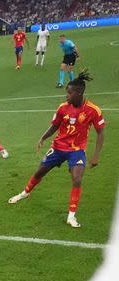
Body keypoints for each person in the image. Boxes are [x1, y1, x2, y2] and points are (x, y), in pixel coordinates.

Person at [8, 70, 105, 228]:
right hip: (58, 147)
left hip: (76, 150)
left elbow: (101, 133)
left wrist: (96, 156)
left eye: (69, 93)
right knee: (40, 171)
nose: (66, 96)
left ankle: (71, 216)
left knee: (77, 178)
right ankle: (25, 193)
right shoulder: (63, 108)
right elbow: (55, 125)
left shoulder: (93, 110)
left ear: (79, 93)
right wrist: (43, 137)